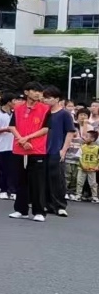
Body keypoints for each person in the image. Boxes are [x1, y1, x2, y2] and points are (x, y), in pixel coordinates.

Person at [8, 82, 50, 220]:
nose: (37, 93)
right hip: (19, 148)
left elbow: (45, 129)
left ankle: (39, 212)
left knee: (37, 181)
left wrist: (27, 138)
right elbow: (12, 126)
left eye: (39, 91)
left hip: (36, 149)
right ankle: (21, 209)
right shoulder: (18, 108)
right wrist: (21, 140)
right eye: (34, 90)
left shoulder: (45, 108)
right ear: (26, 92)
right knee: (20, 180)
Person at [44, 86, 76, 217]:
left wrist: (64, 149)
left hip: (56, 148)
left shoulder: (64, 114)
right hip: (42, 149)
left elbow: (70, 132)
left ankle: (60, 205)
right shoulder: (45, 113)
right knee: (44, 178)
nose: (46, 100)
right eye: (45, 98)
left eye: (49, 98)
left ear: (57, 99)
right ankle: (47, 204)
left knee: (57, 178)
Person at [76, 128, 99, 202]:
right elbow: (80, 157)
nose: (84, 138)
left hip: (92, 169)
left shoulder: (97, 148)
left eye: (87, 137)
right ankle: (78, 194)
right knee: (79, 181)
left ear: (92, 139)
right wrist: (82, 165)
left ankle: (94, 196)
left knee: (93, 183)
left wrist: (97, 166)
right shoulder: (82, 147)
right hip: (82, 168)